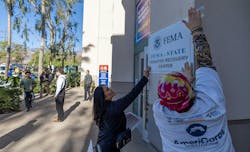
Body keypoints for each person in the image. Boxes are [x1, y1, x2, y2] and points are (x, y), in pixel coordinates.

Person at [153, 8, 235, 152]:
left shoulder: (161, 114)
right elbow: (205, 61)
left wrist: (187, 82)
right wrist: (196, 29)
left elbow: (169, 100)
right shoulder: (211, 99)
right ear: (189, 90)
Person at [93, 67, 150, 152]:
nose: (110, 89)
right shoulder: (113, 108)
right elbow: (132, 95)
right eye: (107, 89)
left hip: (104, 145)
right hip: (108, 148)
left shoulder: (105, 108)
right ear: (104, 98)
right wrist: (145, 77)